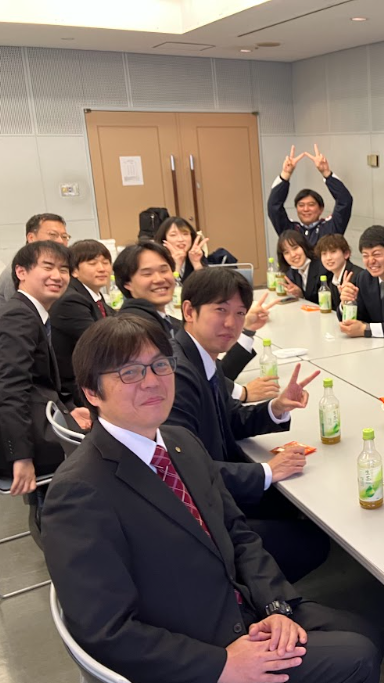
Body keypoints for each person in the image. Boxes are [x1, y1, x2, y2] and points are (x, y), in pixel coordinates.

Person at [41, 315, 383, 683]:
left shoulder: (180, 443)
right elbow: (105, 631)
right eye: (130, 372)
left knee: (367, 633)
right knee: (357, 657)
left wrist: (275, 606)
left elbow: (237, 533)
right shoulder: (79, 492)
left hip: (240, 605)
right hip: (195, 647)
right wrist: (220, 665)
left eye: (160, 365)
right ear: (92, 393)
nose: (152, 381)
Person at [165, 267, 330, 582]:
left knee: (300, 499)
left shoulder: (201, 356)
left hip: (218, 487)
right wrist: (267, 471)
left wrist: (275, 408)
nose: (231, 323)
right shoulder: (177, 375)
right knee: (314, 541)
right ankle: (249, 597)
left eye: (240, 313)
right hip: (200, 516)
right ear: (188, 311)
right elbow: (184, 471)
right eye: (221, 310)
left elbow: (229, 420)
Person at [0, 242, 91, 544]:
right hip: (28, 440)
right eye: (48, 267)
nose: (58, 276)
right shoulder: (19, 315)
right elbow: (10, 389)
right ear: (21, 272)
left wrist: (69, 409)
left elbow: (40, 383)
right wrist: (21, 457)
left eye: (63, 269)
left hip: (39, 423)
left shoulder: (32, 313)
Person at [114, 242, 274, 401]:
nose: (159, 279)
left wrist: (247, 329)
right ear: (127, 283)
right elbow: (193, 378)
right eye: (147, 274)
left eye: (164, 270)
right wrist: (242, 393)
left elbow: (209, 367)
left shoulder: (165, 320)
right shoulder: (137, 330)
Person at [50, 239, 114, 404]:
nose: (102, 268)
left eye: (105, 262)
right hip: (77, 391)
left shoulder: (94, 296)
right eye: (92, 263)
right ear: (74, 271)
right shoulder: (70, 300)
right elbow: (103, 343)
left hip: (95, 378)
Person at [268, 144, 353, 246]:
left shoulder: (331, 228)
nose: (306, 209)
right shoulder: (290, 230)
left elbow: (345, 201)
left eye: (311, 205)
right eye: (301, 205)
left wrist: (326, 173)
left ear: (321, 209)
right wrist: (285, 174)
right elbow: (274, 207)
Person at [0, 213, 70, 304]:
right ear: (31, 238)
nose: (60, 241)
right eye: (53, 235)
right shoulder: (17, 270)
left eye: (64, 237)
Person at [315, 234, 363, 310]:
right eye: (324, 254)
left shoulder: (358, 276)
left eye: (333, 252)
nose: (328, 258)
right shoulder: (331, 278)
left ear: (346, 254)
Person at [277, 229, 322, 303]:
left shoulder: (321, 267)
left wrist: (303, 296)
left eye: (295, 248)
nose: (293, 255)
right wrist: (300, 294)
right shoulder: (291, 272)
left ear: (304, 246)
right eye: (286, 252)